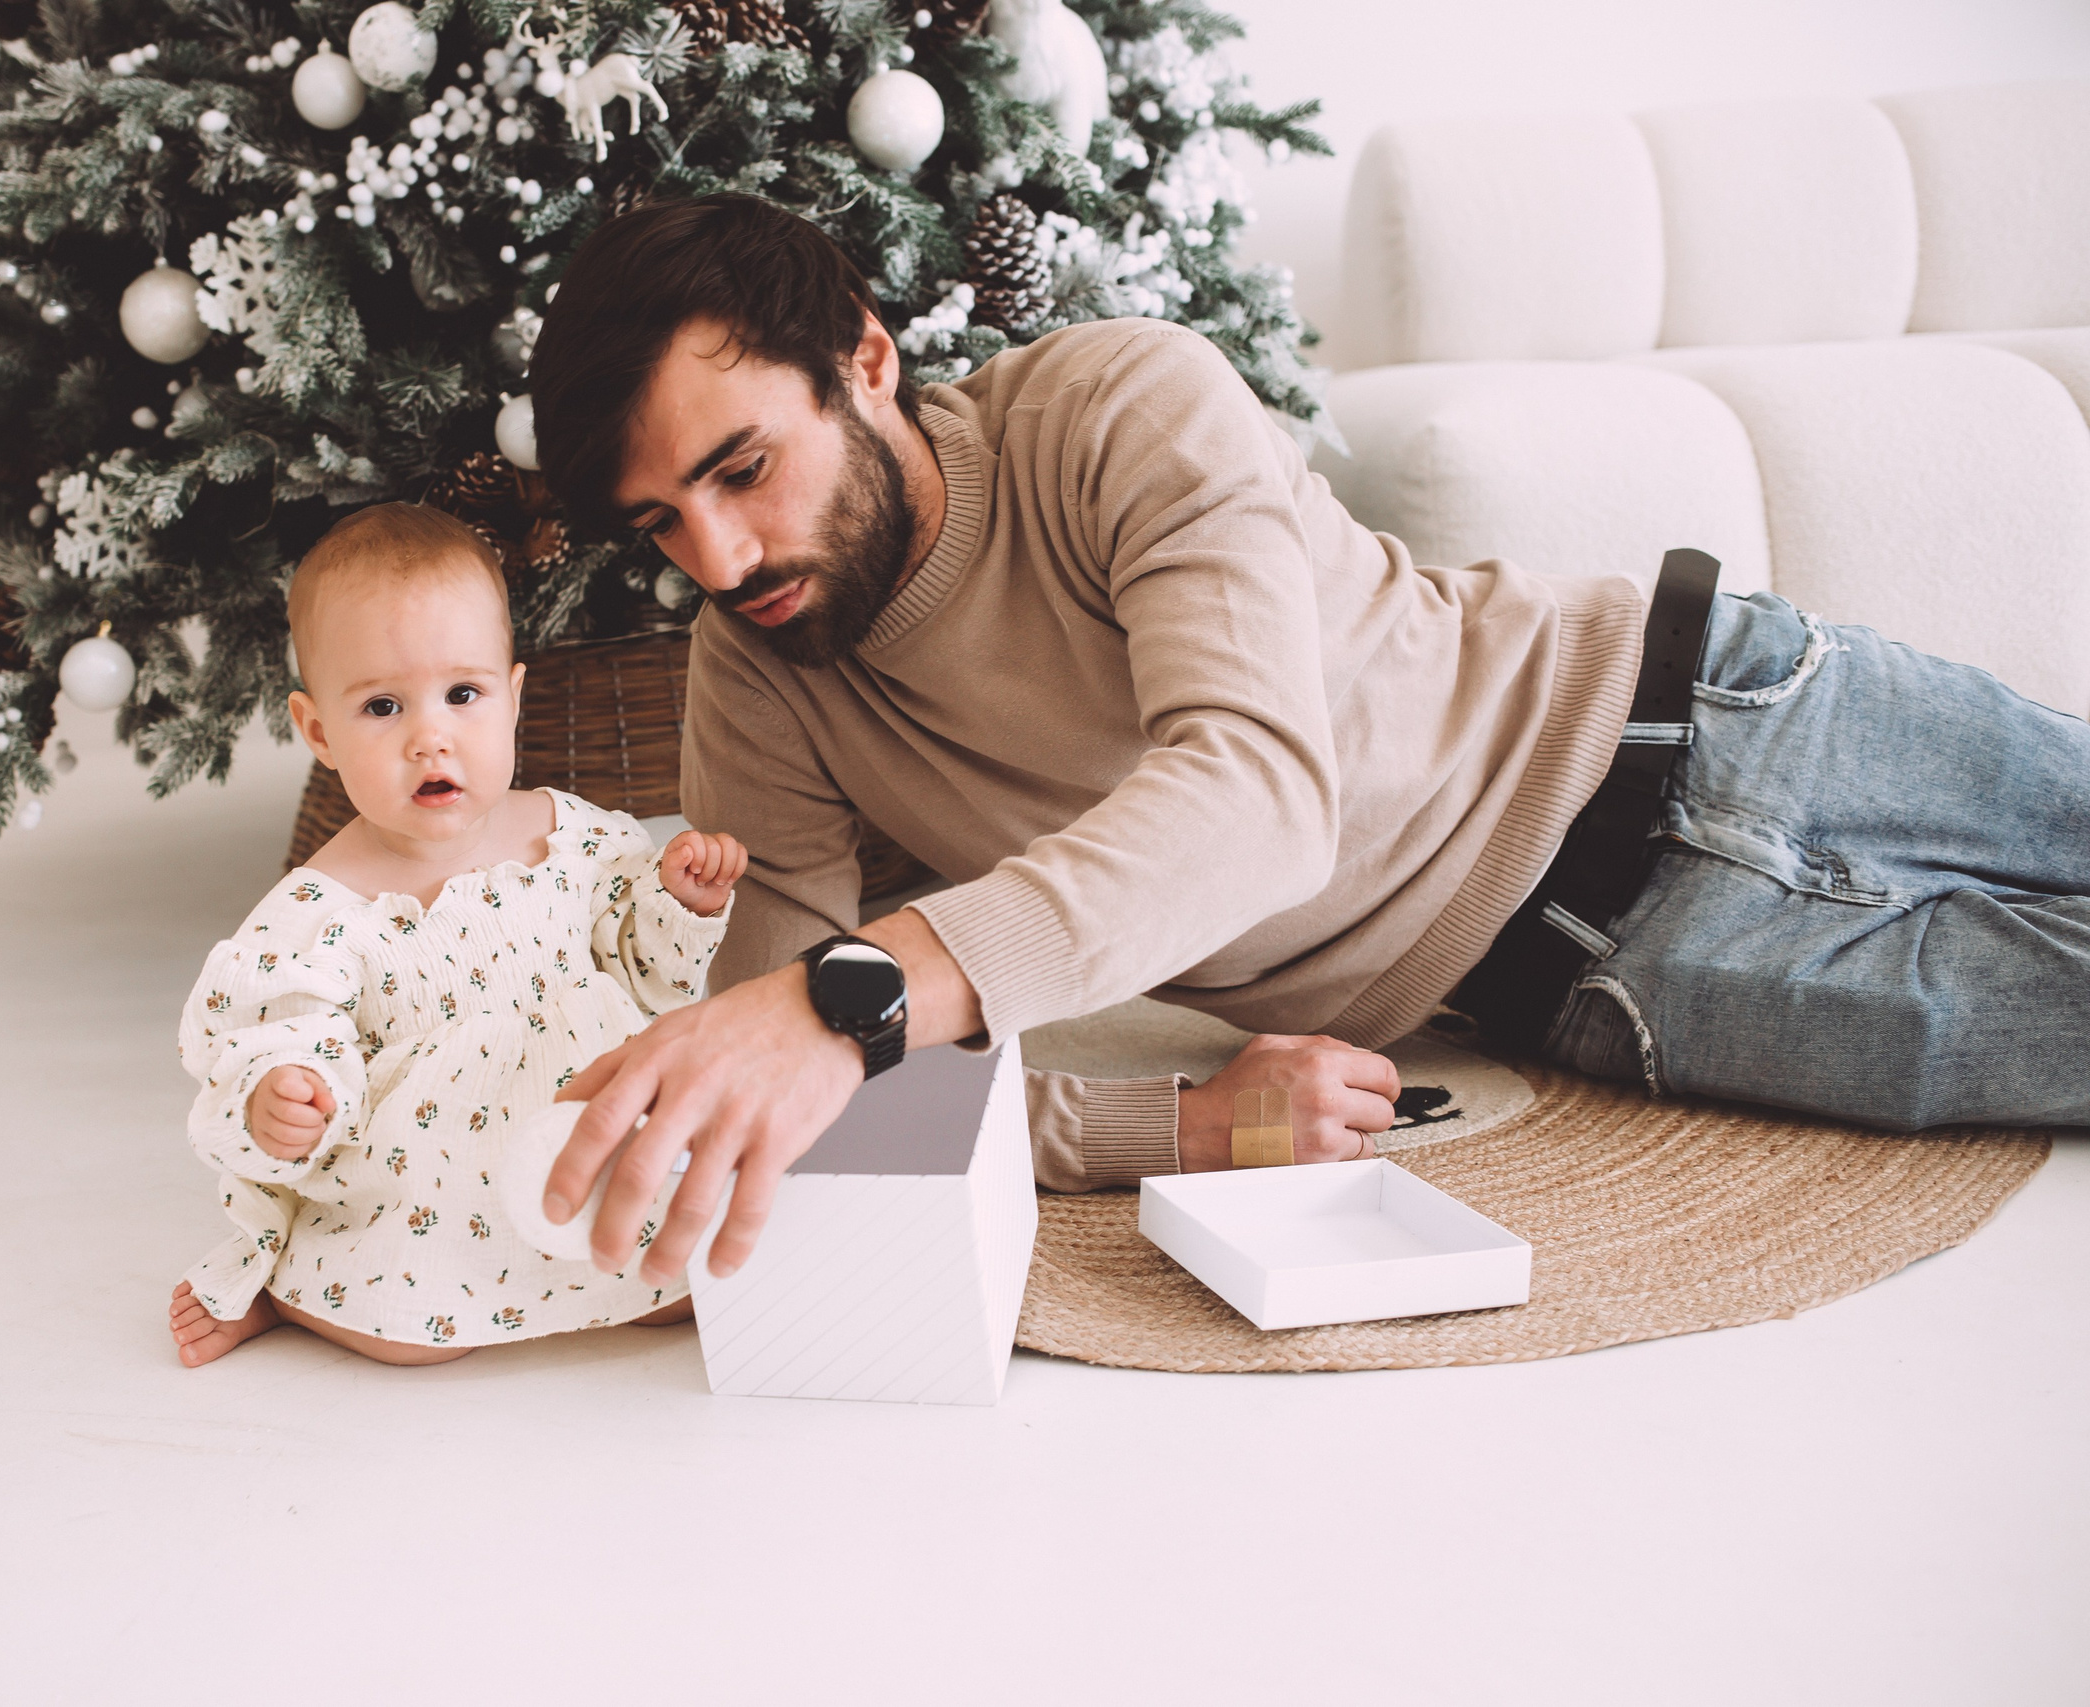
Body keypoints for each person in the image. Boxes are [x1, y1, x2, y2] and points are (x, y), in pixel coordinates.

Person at [520, 194, 2090, 1296]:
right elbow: (818, 1092)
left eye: (743, 469)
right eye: (664, 521)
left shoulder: (1113, 405)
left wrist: (858, 988)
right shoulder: (761, 675)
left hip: (1710, 701)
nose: (720, 559)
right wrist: (1174, 1126)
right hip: (1600, 975)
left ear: (864, 360)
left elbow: (1262, 797)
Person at [165, 503, 750, 1368]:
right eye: (382, 706)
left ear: (514, 699)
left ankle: (609, 1275)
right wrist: (282, 1089)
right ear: (319, 730)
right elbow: (281, 1032)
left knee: (675, 1283)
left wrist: (674, 900)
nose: (428, 736)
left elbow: (644, 971)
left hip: (585, 1130)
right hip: (433, 1176)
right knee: (404, 1338)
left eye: (463, 694)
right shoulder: (319, 908)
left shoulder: (572, 834)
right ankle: (294, 1298)